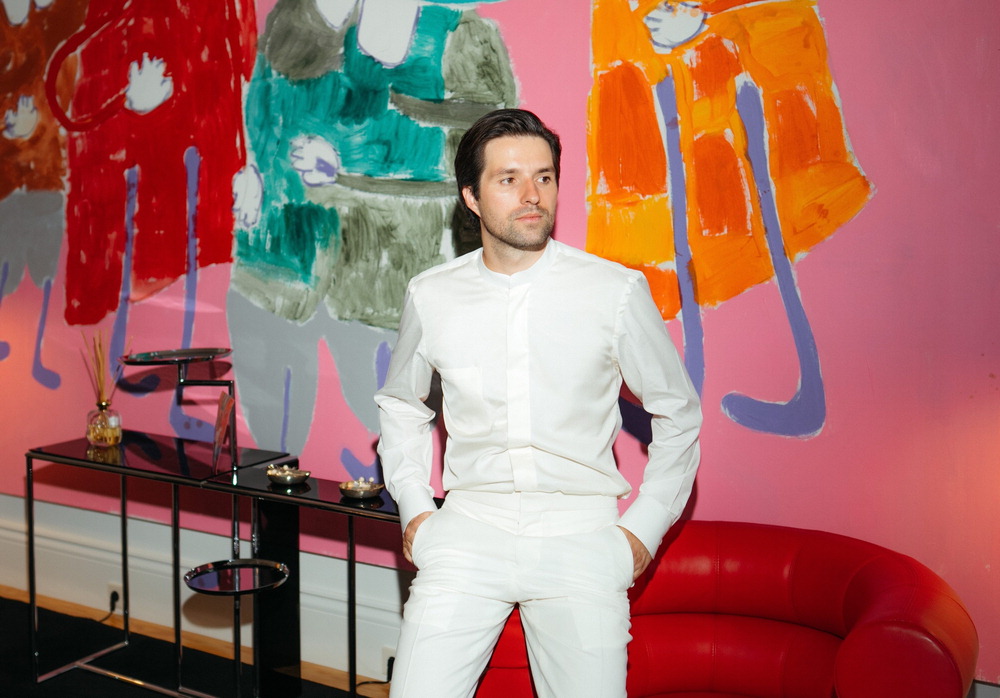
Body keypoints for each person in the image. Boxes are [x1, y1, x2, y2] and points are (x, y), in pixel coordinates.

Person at [374, 108, 701, 698]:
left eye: (544, 177)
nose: (532, 195)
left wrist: (642, 531)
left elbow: (678, 411)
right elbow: (401, 404)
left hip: (581, 537)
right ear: (471, 197)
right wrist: (417, 512)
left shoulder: (613, 291)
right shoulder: (432, 295)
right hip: (468, 531)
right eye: (509, 179)